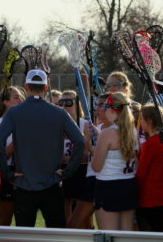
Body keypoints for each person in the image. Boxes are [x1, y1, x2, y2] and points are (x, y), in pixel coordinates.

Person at [0, 69, 85, 228]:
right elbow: (79, 141)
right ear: (46, 88)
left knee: (25, 233)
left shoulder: (14, 112)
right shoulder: (59, 112)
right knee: (56, 235)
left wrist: (7, 173)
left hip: (23, 183)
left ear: (26, 86)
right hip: (51, 183)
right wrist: (67, 172)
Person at [91, 92, 138, 231]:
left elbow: (96, 167)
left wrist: (92, 149)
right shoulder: (132, 131)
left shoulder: (107, 133)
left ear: (111, 109)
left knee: (108, 235)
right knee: (125, 236)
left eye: (105, 106)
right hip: (129, 185)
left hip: (108, 186)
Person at [67, 93, 111, 229]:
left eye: (100, 105)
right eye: (96, 105)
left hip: (106, 181)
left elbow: (103, 158)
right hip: (91, 180)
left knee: (107, 228)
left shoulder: (116, 131)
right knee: (78, 224)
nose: (96, 109)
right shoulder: (96, 129)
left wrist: (88, 145)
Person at [0, 86, 25, 226]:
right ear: (6, 102)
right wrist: (16, 142)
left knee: (24, 223)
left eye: (21, 96)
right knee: (4, 221)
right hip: (7, 177)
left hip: (25, 175)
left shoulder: (25, 121)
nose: (21, 100)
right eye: (16, 97)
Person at [57, 90, 91, 225]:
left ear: (77, 105)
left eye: (68, 103)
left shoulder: (85, 124)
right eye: (61, 103)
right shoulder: (57, 124)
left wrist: (74, 158)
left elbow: (88, 153)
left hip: (80, 168)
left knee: (81, 206)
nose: (64, 106)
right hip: (63, 168)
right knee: (65, 201)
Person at [136, 103, 163, 232]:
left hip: (150, 198)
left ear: (149, 121)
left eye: (142, 120)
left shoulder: (151, 144)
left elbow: (141, 173)